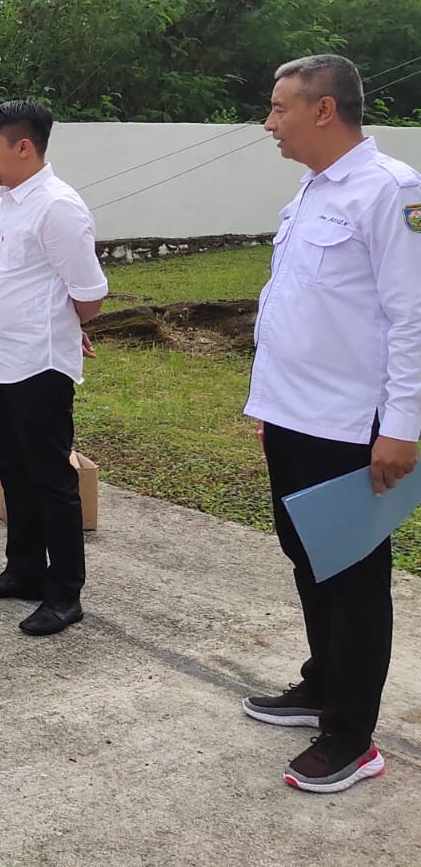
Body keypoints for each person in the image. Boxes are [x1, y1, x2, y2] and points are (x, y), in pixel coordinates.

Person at [241, 54, 421, 794]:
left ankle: (352, 736)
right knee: (306, 555)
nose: (269, 122)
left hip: (353, 423)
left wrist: (403, 425)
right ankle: (323, 684)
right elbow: (298, 304)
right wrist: (268, 404)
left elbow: (412, 318)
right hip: (295, 414)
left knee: (350, 575)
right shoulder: (313, 191)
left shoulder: (392, 192)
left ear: (324, 110)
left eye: (280, 108)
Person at [0, 100, 106, 637]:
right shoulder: (7, 199)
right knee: (12, 469)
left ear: (25, 147)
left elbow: (89, 294)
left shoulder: (58, 207)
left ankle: (65, 593)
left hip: (38, 364)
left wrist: (67, 328)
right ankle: (23, 571)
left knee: (50, 479)